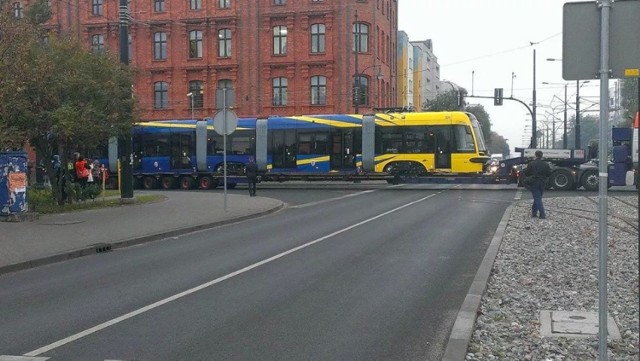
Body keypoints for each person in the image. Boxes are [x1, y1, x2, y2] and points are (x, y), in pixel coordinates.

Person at [524, 150, 552, 219]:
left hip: (534, 181)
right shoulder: (546, 164)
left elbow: (527, 173)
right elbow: (549, 173)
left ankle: (542, 214)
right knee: (538, 197)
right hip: (542, 182)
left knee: (537, 198)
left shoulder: (531, 163)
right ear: (542, 155)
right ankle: (534, 213)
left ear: (535, 155)